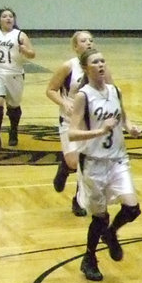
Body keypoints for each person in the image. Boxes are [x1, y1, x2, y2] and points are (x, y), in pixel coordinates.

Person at [67, 49, 142, 283]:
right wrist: (100, 131)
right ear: (86, 68)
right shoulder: (83, 96)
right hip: (93, 162)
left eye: (103, 61)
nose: (101, 65)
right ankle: (89, 258)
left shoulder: (115, 90)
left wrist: (130, 127)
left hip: (118, 159)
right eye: (95, 62)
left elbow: (124, 117)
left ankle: (111, 233)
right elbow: (71, 133)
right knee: (100, 217)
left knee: (132, 208)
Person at [45, 30, 96, 217]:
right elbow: (50, 90)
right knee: (74, 162)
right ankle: (64, 168)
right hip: (69, 121)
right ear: (75, 47)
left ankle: (78, 200)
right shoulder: (68, 67)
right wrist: (63, 102)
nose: (89, 43)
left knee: (87, 163)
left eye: (91, 40)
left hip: (90, 122)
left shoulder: (99, 66)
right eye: (84, 40)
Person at [0, 7, 35, 150]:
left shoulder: (20, 35)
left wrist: (25, 51)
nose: (8, 18)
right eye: (5, 16)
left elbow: (32, 54)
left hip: (15, 73)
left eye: (11, 16)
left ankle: (13, 130)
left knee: (13, 106)